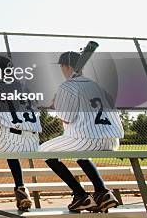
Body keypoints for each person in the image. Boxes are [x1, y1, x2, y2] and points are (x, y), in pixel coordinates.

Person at [41, 51, 124, 212]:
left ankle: (80, 196)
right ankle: (102, 192)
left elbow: (67, 118)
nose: (61, 70)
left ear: (66, 67)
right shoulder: (95, 84)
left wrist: (56, 104)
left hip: (87, 138)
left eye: (62, 67)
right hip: (111, 138)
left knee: (44, 150)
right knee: (80, 153)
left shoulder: (67, 85)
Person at [0, 55, 41, 211]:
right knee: (9, 148)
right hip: (34, 140)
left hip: (13, 137)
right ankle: (21, 188)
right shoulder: (25, 86)